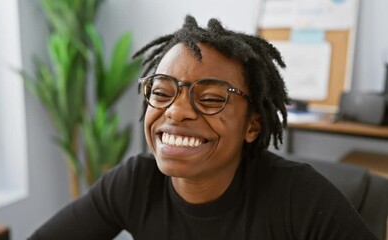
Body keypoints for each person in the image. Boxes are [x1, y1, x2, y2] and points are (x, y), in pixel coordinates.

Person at [29, 16, 377, 240]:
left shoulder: (298, 197)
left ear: (252, 127)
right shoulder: (136, 183)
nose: (177, 112)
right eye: (162, 92)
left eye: (210, 99)